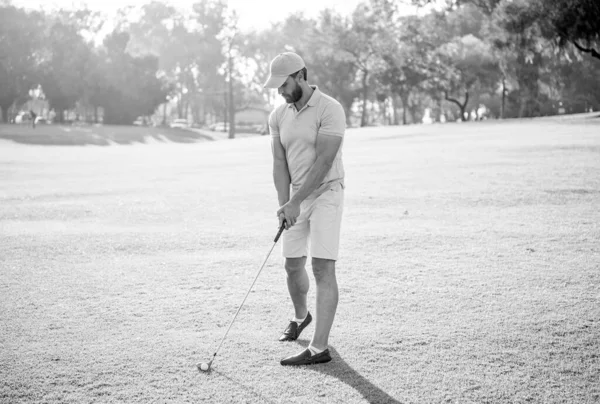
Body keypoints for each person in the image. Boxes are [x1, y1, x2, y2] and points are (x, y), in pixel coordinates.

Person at [264, 52, 346, 366]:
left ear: (301, 76)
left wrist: (296, 201)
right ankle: (301, 317)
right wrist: (285, 205)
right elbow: (279, 163)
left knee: (323, 268)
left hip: (327, 193)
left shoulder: (330, 109)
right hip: (295, 200)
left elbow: (324, 162)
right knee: (292, 265)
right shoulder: (277, 115)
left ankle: (319, 348)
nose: (280, 92)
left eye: (284, 84)